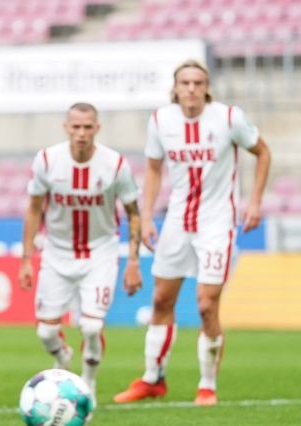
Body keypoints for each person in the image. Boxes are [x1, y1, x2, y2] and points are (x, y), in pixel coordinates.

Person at [113, 59, 271, 406]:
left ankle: (207, 385)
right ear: (175, 88)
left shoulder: (229, 118)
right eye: (185, 83)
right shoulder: (161, 121)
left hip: (216, 224)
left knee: (205, 304)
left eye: (198, 83)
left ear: (207, 87)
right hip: (176, 222)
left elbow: (262, 152)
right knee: (160, 300)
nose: (191, 89)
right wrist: (149, 214)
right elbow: (153, 169)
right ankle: (153, 379)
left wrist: (255, 201)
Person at [18, 102, 142, 401]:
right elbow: (34, 209)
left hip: (100, 253)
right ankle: (63, 359)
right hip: (57, 253)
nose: (82, 133)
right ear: (66, 128)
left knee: (91, 324)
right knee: (46, 333)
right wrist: (26, 259)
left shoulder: (115, 164)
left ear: (97, 128)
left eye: (88, 127)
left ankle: (87, 383)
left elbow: (134, 213)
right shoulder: (47, 160)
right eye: (76, 127)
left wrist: (134, 261)